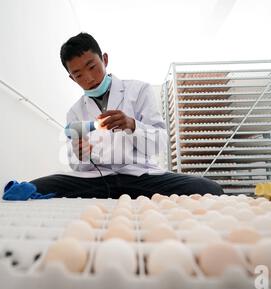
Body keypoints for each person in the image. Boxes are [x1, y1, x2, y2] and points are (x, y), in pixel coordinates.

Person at [29, 32, 223, 198]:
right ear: (72, 78)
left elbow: (160, 144)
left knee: (208, 188)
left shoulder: (139, 91)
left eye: (92, 66)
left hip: (140, 176)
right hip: (97, 181)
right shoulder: (75, 112)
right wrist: (80, 155)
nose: (88, 78)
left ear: (104, 59)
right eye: (78, 74)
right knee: (34, 188)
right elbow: (76, 166)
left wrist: (133, 125)